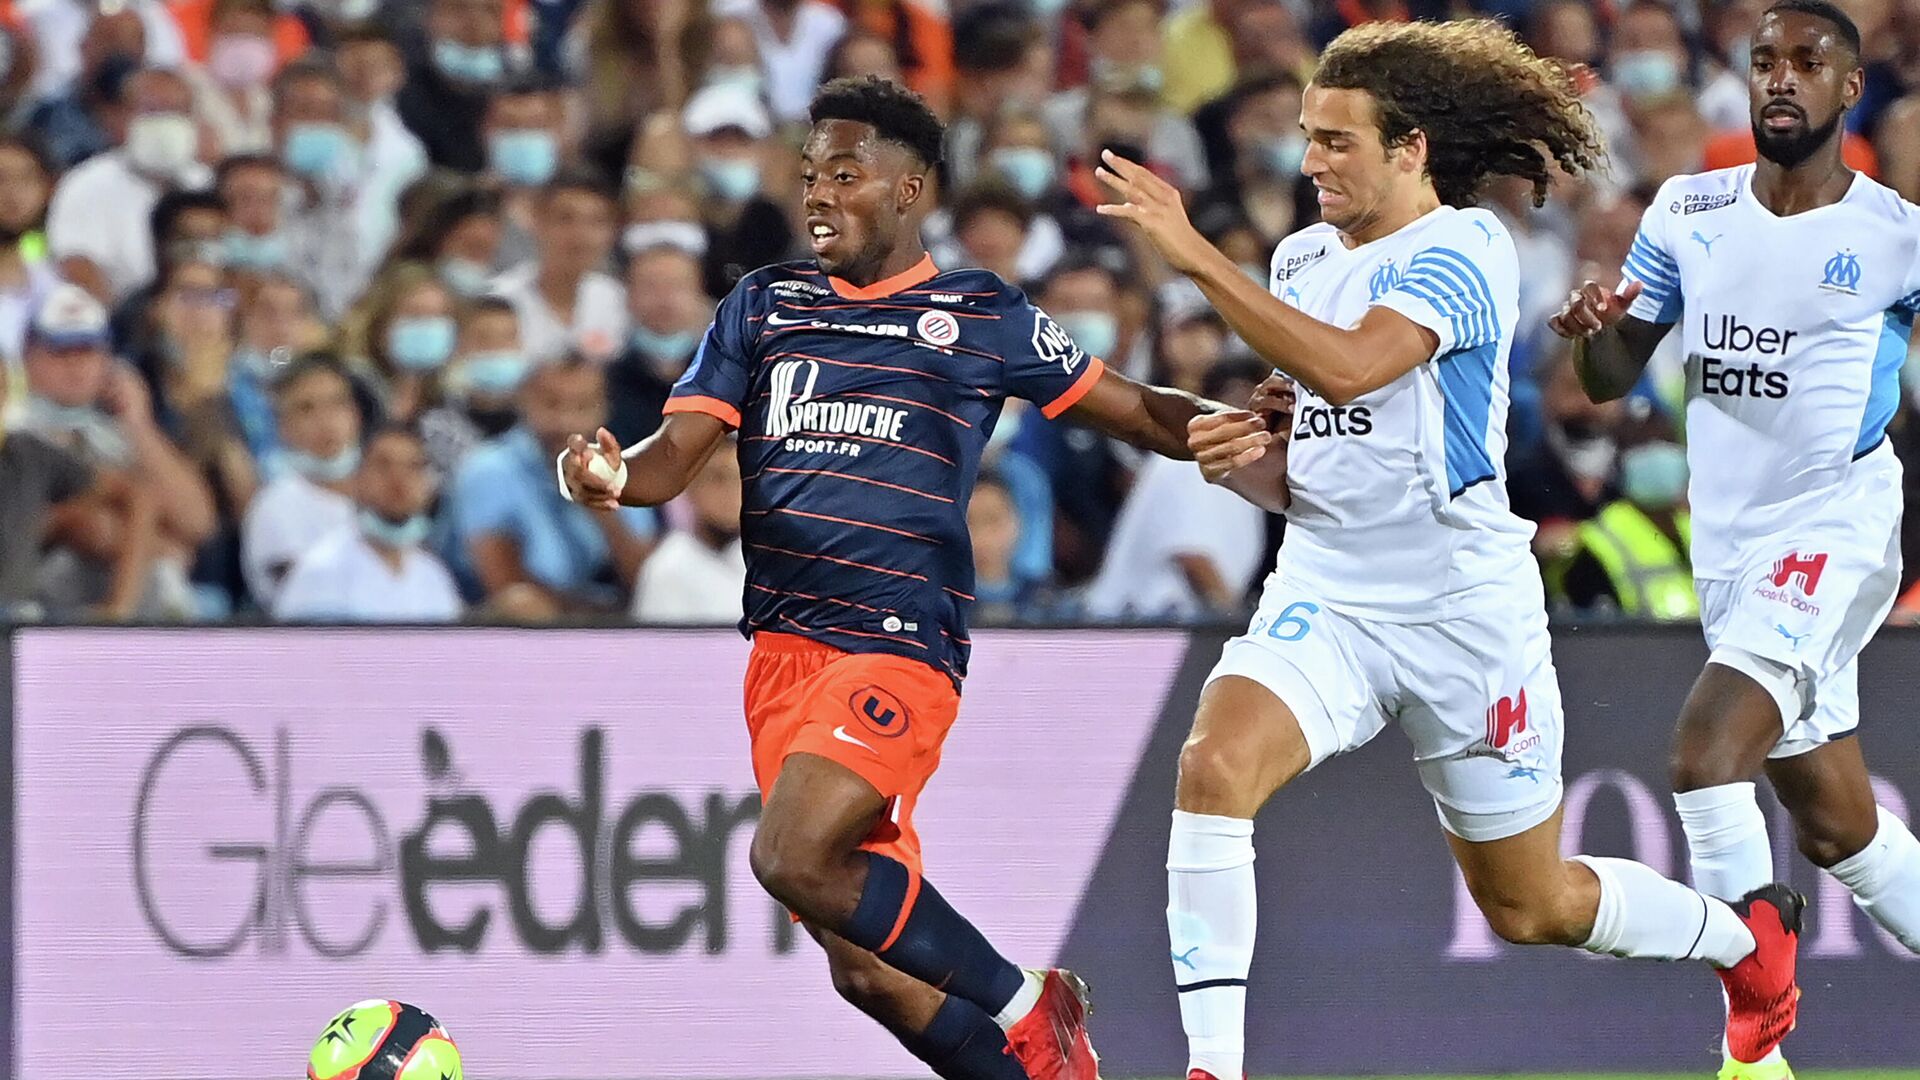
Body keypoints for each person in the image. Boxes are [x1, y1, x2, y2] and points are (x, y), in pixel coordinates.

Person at [1091, 19, 1807, 1080]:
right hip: (1328, 593)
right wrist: (1247, 454)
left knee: (1532, 904)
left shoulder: (1465, 248)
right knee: (1213, 767)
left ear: (1412, 148)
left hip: (1463, 613)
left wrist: (1194, 253)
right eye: (1306, 136)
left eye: (1338, 140)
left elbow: (1351, 369)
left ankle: (1748, 944)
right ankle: (1213, 1068)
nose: (1310, 161)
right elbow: (1325, 436)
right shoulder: (1299, 257)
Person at [559, 76, 1228, 1080]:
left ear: (910, 190)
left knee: (789, 856)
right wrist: (612, 476)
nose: (818, 194)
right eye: (809, 175)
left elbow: (1133, 412)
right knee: (868, 974)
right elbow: (672, 455)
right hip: (781, 656)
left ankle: (1028, 1003)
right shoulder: (763, 304)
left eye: (845, 174)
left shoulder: (978, 314)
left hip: (897, 640)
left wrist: (1242, 429)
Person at [1550, 3, 1920, 1076]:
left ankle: (1753, 1050)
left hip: (1836, 526)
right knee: (1838, 826)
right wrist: (1593, 338)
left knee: (1706, 752)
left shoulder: (1896, 234)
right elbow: (1620, 374)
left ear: (1851, 90)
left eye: (1808, 63)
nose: (1781, 80)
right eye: (1764, 62)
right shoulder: (1688, 207)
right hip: (1730, 545)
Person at [276, 424, 462, 622]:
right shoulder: (321, 574)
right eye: (383, 465)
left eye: (413, 467)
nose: (398, 479)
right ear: (357, 479)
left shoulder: (434, 577)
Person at [241, 352, 362, 610]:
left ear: (355, 415)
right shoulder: (276, 505)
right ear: (284, 427)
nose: (326, 421)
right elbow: (307, 598)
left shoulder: (381, 497)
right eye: (307, 409)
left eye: (336, 404)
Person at [629, 436, 745, 623]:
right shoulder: (668, 568)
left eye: (739, 479)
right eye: (717, 478)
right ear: (690, 486)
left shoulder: (771, 563)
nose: (731, 493)